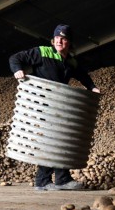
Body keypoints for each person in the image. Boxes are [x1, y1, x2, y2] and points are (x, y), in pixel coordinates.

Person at [9, 24, 100, 191]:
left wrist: (92, 87)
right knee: (51, 140)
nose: (59, 41)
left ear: (69, 42)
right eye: (57, 38)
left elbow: (83, 75)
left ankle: (61, 178)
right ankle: (44, 181)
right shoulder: (42, 52)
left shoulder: (71, 61)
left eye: (63, 39)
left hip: (59, 105)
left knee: (61, 139)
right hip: (42, 103)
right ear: (53, 40)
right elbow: (15, 58)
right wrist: (18, 70)